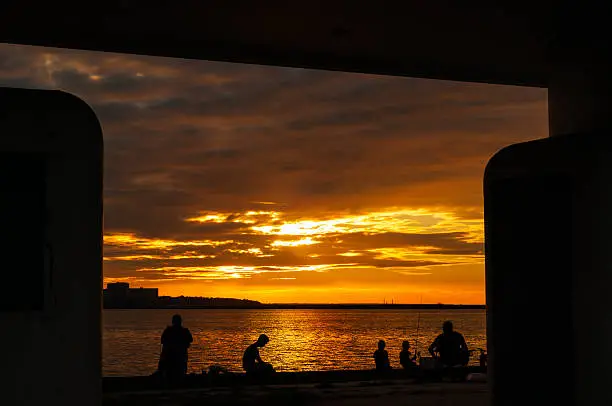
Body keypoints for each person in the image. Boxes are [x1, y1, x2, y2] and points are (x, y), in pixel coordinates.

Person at [158, 314, 193, 382]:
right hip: (175, 356)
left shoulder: (169, 330)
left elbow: (162, 340)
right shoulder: (184, 331)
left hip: (174, 356)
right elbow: (190, 340)